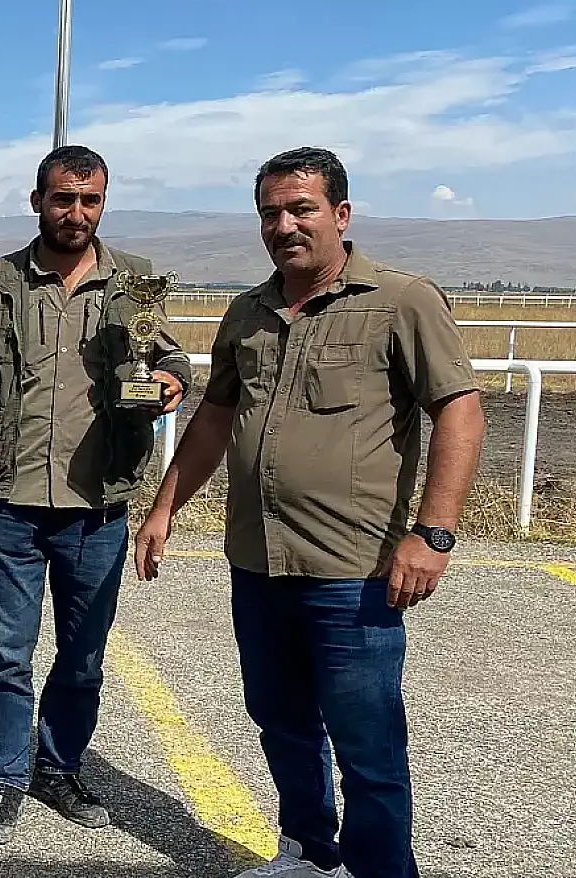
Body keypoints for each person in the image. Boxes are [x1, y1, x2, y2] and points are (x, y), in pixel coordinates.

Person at [134, 147, 485, 878]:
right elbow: (214, 417)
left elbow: (459, 411)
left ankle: (381, 869)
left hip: (352, 574)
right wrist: (163, 509)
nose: (284, 225)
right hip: (258, 563)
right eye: (271, 212)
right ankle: (308, 852)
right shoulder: (248, 312)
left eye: (302, 209)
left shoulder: (401, 300)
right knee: (281, 721)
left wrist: (434, 533)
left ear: (341, 215)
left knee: (368, 744)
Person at [0, 144, 191, 845]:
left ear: (102, 203)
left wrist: (170, 382)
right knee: (7, 654)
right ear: (37, 201)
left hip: (98, 504)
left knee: (83, 657)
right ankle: (7, 780)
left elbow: (164, 355)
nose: (75, 212)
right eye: (62, 198)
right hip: (12, 502)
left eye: (90, 200)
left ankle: (59, 767)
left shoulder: (133, 281)